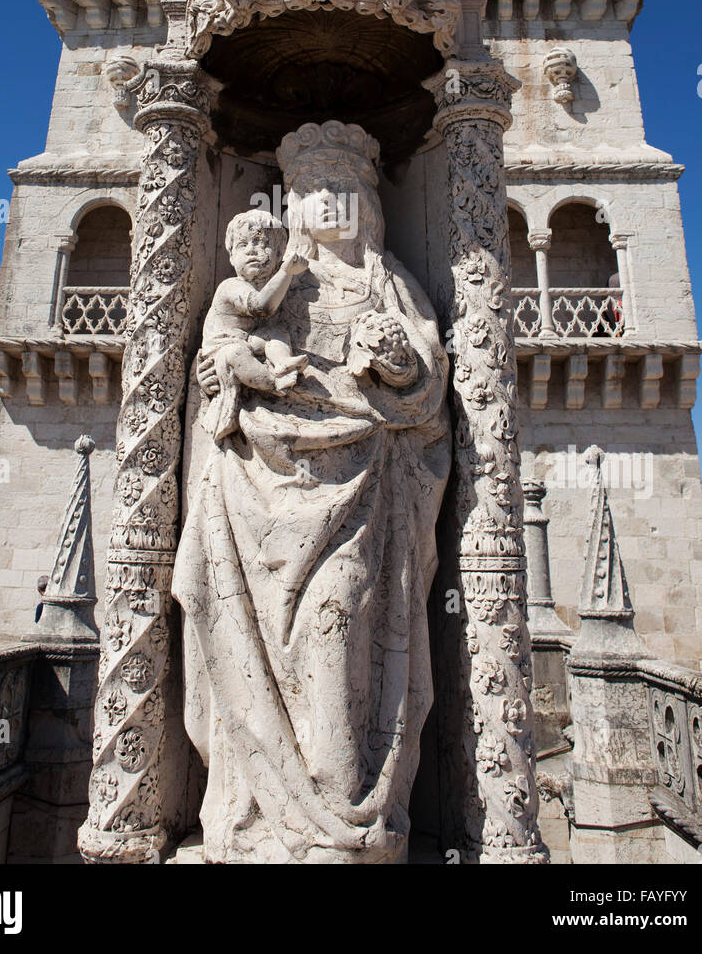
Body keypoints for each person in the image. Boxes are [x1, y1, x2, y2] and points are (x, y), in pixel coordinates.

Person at [173, 122, 451, 864]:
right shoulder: (264, 286)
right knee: (241, 634)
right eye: (310, 191)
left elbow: (429, 388)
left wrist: (395, 363)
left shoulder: (388, 281)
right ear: (289, 206)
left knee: (337, 622)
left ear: (368, 201)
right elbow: (219, 351)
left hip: (360, 487)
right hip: (255, 486)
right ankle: (258, 816)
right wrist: (225, 372)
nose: (327, 202)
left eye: (343, 189)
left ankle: (341, 811)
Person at [200, 208, 309, 442]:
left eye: (261, 243)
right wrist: (286, 272)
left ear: (280, 252)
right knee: (235, 353)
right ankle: (274, 382)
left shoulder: (285, 289)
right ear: (231, 256)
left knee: (275, 334)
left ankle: (282, 364)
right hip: (223, 349)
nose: (252, 250)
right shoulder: (230, 286)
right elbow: (262, 306)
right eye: (243, 245)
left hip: (249, 342)